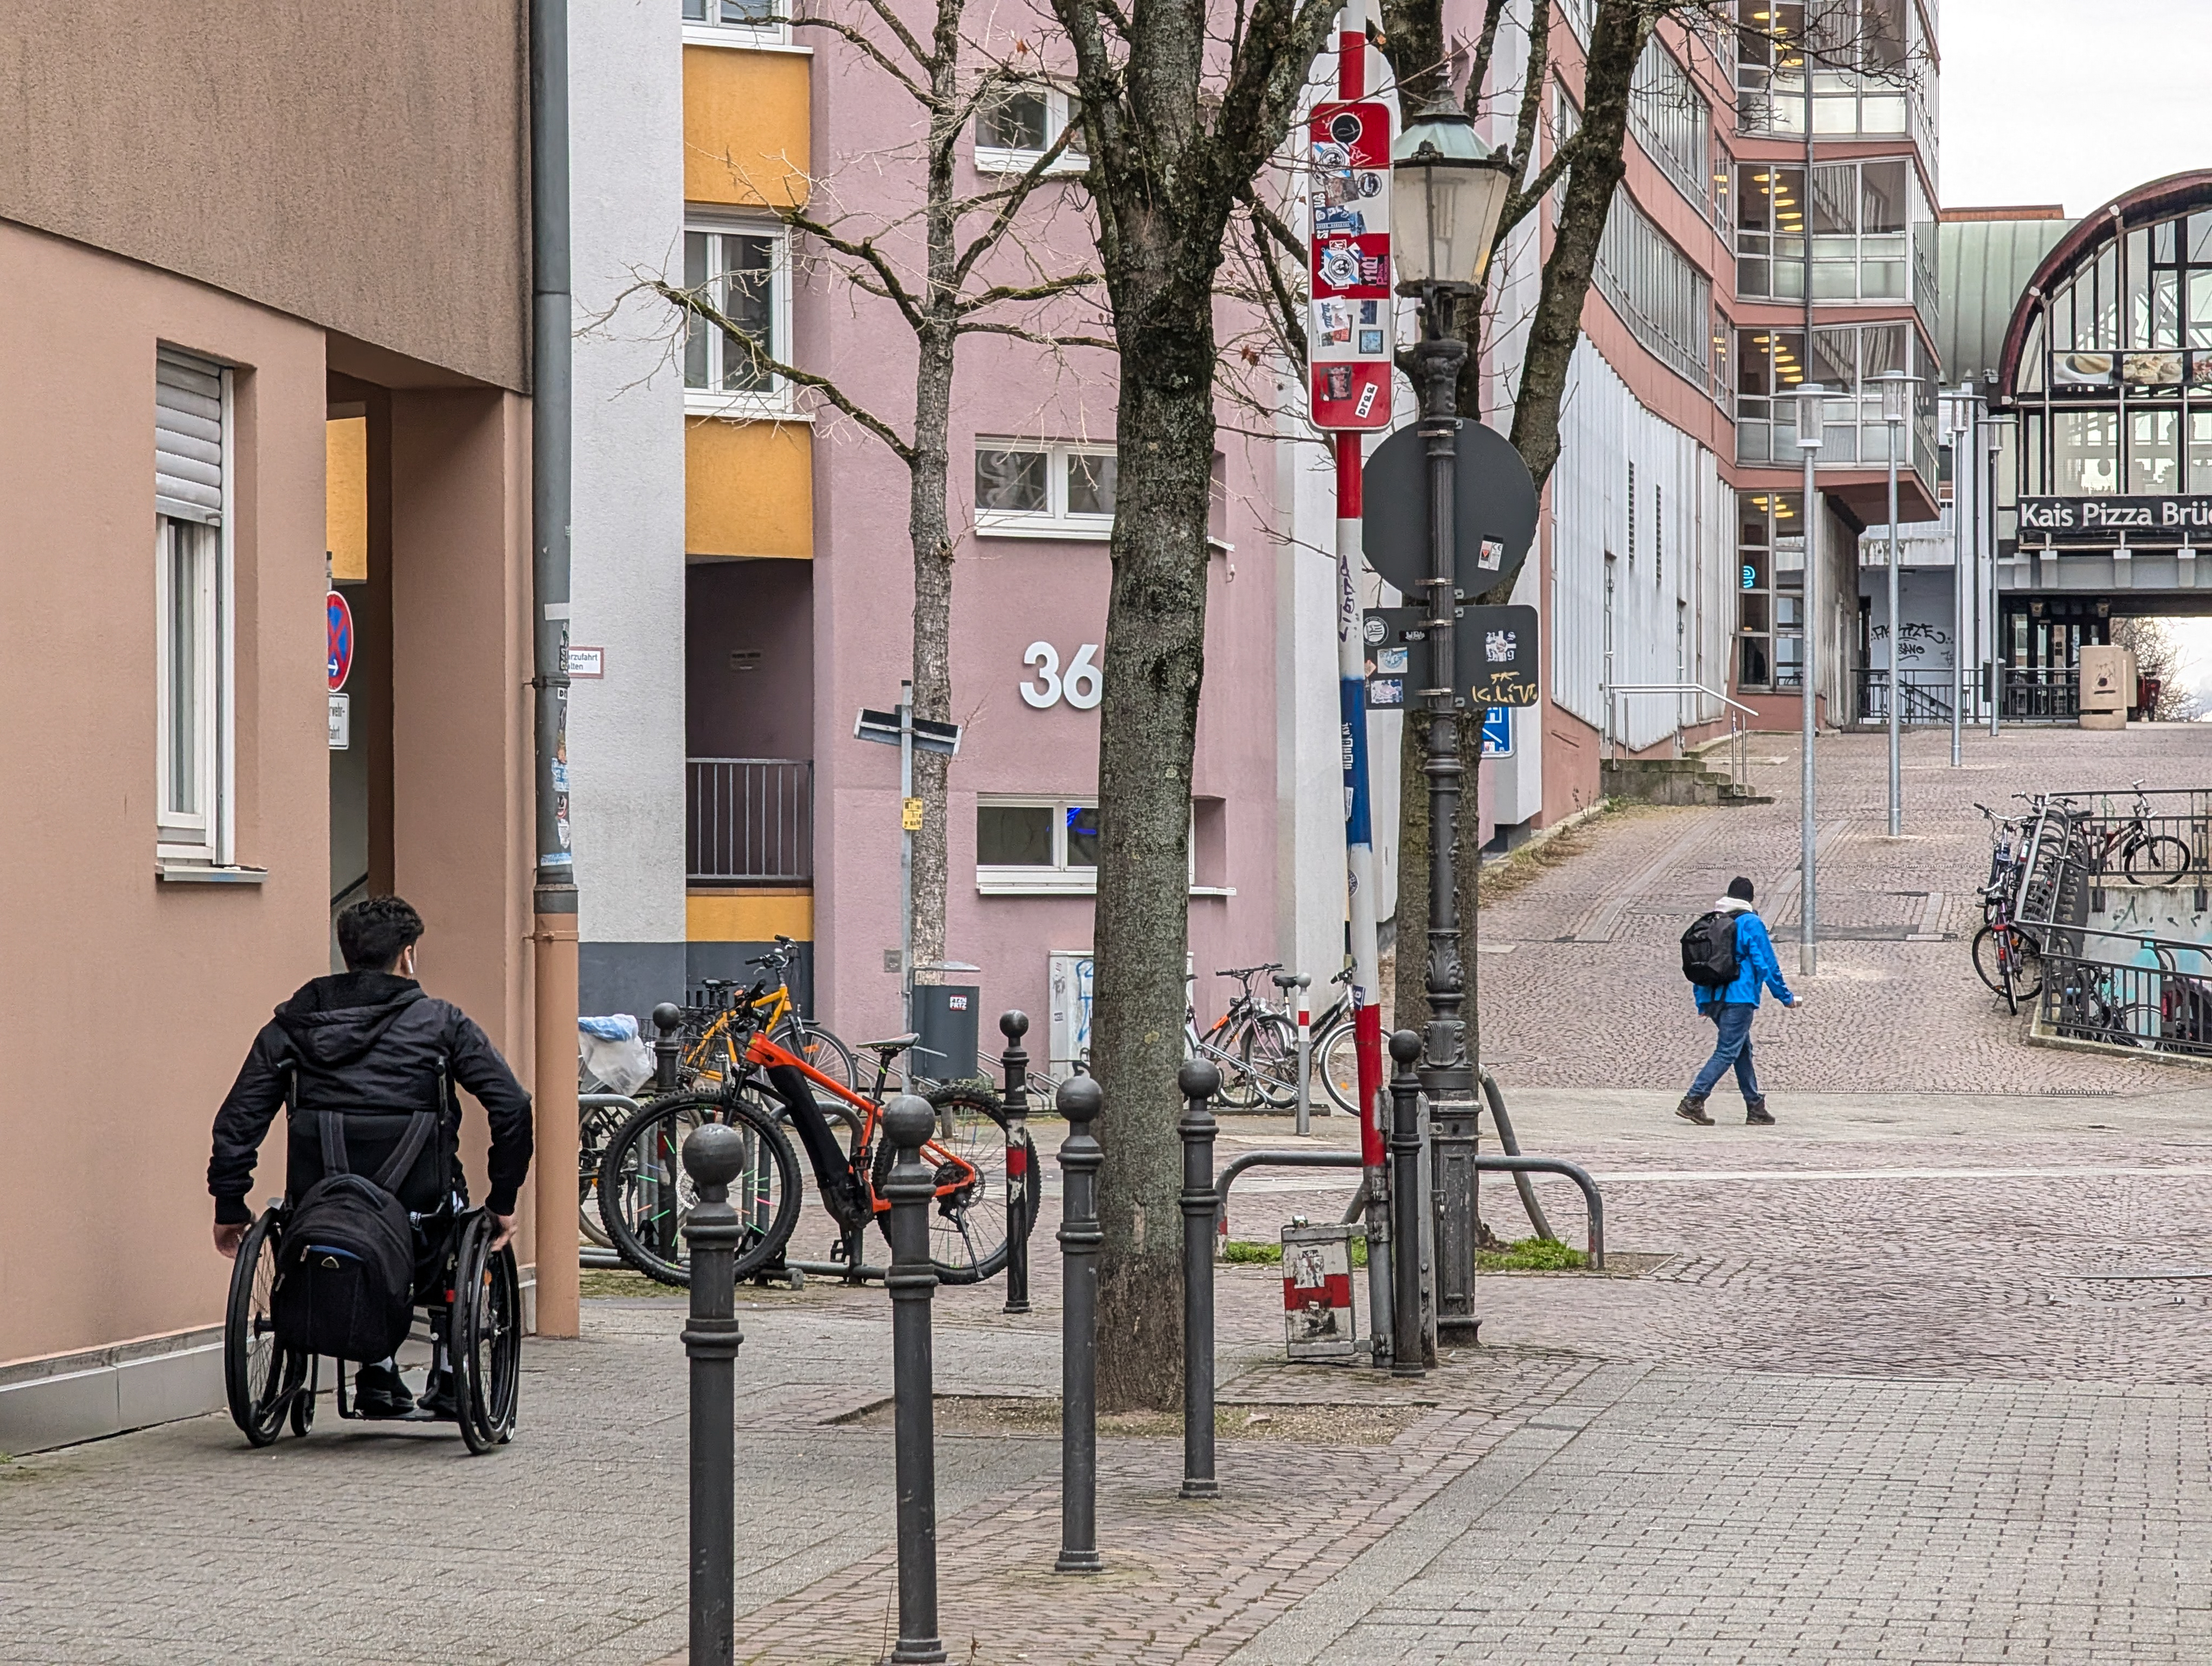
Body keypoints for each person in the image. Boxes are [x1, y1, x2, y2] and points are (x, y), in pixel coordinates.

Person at [208, 895, 533, 1418]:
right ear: (408, 956)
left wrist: (230, 1204)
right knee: (455, 1230)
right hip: (423, 1220)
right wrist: (503, 1199)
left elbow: (238, 1119)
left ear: (346, 954)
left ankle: (377, 1374)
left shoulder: (293, 1027)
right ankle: (451, 1377)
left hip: (320, 1214)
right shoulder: (441, 1023)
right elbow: (512, 1105)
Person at [1677, 875, 1799, 1127]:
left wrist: (1702, 1002)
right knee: (1727, 1051)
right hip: (1739, 998)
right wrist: (1784, 996)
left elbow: (1701, 961)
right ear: (1750, 900)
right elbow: (1766, 963)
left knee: (1742, 1050)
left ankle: (1755, 1107)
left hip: (1713, 997)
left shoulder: (1713, 921)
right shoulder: (1751, 923)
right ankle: (1694, 1099)